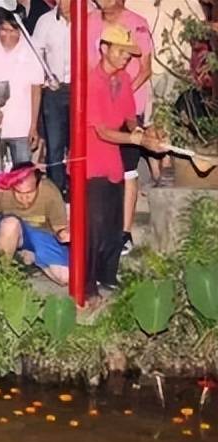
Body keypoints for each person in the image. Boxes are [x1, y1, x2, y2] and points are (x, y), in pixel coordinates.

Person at [85, 24, 165, 303]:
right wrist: (139, 141)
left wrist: (143, 131)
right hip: (91, 164)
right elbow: (103, 131)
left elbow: (130, 116)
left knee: (113, 225)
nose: (126, 58)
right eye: (121, 51)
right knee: (93, 226)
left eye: (129, 55)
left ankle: (107, 276)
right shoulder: (90, 82)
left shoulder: (122, 80)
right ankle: (86, 285)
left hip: (114, 162)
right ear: (104, 48)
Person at [88, 0, 153, 255]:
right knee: (99, 180)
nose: (126, 57)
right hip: (98, 109)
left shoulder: (137, 23)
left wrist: (121, 98)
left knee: (127, 172)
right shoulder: (90, 21)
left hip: (126, 108)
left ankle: (124, 233)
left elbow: (145, 70)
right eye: (122, 52)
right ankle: (99, 240)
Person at [0, 7, 43, 166]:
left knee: (22, 174)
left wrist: (33, 126)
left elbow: (36, 88)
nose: (7, 35)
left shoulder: (32, 47)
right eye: (3, 30)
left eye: (12, 31)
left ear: (21, 30)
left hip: (21, 125)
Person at [0, 167, 69, 284]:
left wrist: (63, 234)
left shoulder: (50, 192)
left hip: (44, 234)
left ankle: (33, 257)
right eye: (18, 193)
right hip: (19, 232)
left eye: (29, 193)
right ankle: (4, 274)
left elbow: (59, 228)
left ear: (38, 185)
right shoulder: (4, 191)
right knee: (9, 224)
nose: (24, 199)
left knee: (64, 278)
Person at [33, 0, 71, 196]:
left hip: (81, 90)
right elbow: (36, 56)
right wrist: (44, 79)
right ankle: (56, 192)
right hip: (54, 91)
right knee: (54, 144)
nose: (64, 3)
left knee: (79, 143)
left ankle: (77, 189)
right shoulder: (45, 21)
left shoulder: (90, 17)